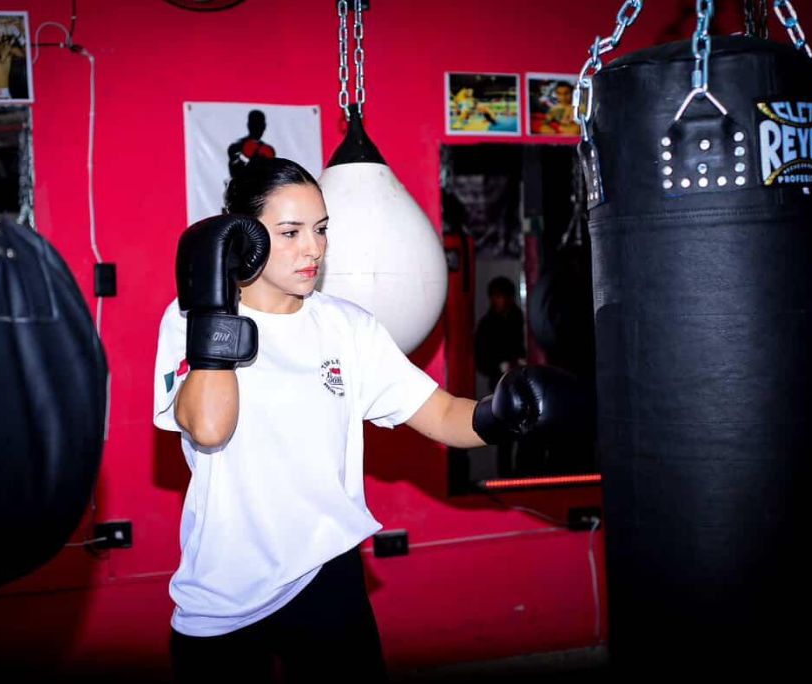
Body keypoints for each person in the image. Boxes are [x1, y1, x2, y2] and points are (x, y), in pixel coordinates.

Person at [153, 157, 583, 683]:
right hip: (223, 581)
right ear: (244, 238)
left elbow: (442, 412)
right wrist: (214, 312)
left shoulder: (345, 328)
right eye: (289, 233)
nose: (313, 248)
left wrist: (502, 413)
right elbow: (210, 428)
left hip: (324, 569)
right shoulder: (189, 320)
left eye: (321, 229)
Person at [473, 276, 527, 475]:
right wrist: (502, 366)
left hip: (524, 386)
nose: (498, 301)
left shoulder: (520, 319)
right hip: (500, 389)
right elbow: (482, 361)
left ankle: (524, 476)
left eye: (501, 296)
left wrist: (520, 362)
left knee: (527, 438)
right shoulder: (486, 326)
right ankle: (507, 479)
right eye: (495, 296)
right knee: (505, 439)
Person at [227, 110, 276, 179]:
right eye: (255, 124)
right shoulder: (236, 147)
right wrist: (246, 157)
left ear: (264, 126)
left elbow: (271, 175)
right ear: (249, 125)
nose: (258, 128)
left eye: (260, 124)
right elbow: (234, 172)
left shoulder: (269, 150)